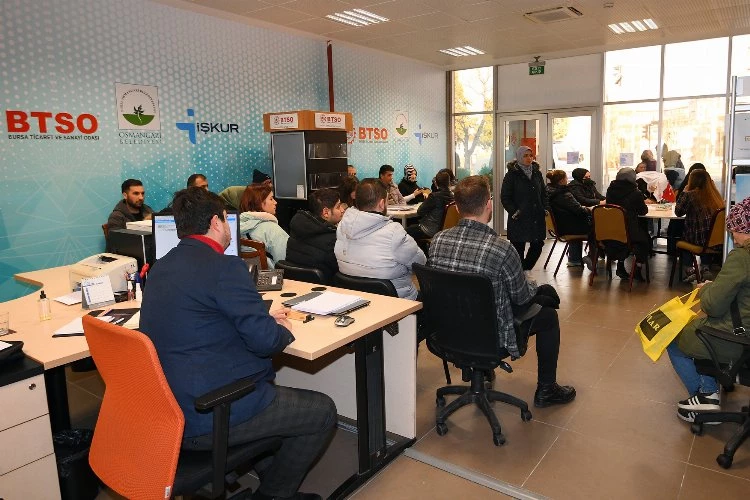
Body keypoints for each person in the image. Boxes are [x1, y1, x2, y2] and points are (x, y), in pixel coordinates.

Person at [139, 187, 335, 500]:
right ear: (216, 222)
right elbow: (266, 343)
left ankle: (268, 474)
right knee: (321, 411)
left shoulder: (160, 267)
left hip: (167, 409)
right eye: (227, 220)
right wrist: (279, 327)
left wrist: (255, 315)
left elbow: (201, 317)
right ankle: (273, 495)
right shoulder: (225, 267)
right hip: (210, 413)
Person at [429, 175, 576, 407]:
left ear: (457, 207)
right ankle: (547, 389)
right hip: (491, 339)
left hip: (446, 333)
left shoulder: (437, 241)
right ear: (489, 204)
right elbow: (522, 297)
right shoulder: (501, 249)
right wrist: (537, 288)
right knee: (548, 315)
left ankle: (483, 372)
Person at [666, 197, 750, 423]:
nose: (733, 236)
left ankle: (705, 398)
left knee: (674, 338)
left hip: (740, 339)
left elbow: (713, 306)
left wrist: (705, 290)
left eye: (735, 230)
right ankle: (709, 389)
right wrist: (719, 286)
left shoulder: (742, 258)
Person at [335, 179, 426, 299]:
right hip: (398, 302)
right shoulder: (393, 232)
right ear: (382, 203)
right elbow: (420, 263)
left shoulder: (342, 227)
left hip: (356, 300)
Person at [500, 146, 548, 270]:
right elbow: (505, 197)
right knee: (518, 248)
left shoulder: (537, 173)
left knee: (538, 244)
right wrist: (515, 211)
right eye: (525, 156)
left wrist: (545, 208)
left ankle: (525, 269)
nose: (529, 158)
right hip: (519, 217)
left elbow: (544, 193)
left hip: (536, 216)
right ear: (519, 157)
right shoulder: (512, 175)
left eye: (530, 155)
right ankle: (520, 274)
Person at [674, 169, 724, 281]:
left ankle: (689, 270)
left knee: (685, 238)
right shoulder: (715, 195)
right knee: (705, 233)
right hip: (716, 241)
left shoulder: (690, 195)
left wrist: (684, 192)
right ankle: (705, 268)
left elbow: (678, 212)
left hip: (698, 241)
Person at [286, 188, 344, 282]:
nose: (342, 210)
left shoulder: (297, 228)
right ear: (326, 212)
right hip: (325, 288)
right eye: (338, 207)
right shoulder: (331, 240)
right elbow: (342, 270)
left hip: (296, 285)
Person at [605, 168, 650, 281]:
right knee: (645, 239)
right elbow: (643, 211)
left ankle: (620, 265)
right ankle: (637, 268)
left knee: (624, 241)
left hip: (610, 231)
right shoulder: (636, 192)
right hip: (628, 231)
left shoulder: (610, 190)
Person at [545, 170, 595, 270]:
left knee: (578, 221)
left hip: (560, 225)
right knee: (596, 229)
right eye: (566, 178)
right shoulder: (564, 194)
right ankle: (591, 257)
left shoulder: (548, 191)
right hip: (569, 227)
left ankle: (574, 259)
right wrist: (590, 209)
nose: (567, 180)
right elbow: (579, 210)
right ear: (561, 180)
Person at [239, 183, 289, 268]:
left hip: (247, 274)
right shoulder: (272, 230)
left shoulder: (234, 228)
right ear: (259, 202)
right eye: (271, 199)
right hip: (273, 274)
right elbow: (286, 262)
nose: (275, 202)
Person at [405, 170, 454, 243]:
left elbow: (420, 211)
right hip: (446, 230)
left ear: (436, 183)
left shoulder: (434, 196)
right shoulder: (453, 197)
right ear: (449, 183)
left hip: (430, 230)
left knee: (404, 232)